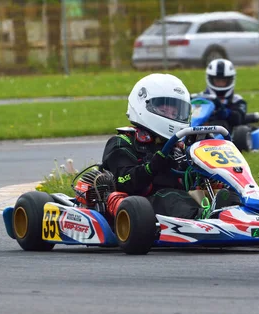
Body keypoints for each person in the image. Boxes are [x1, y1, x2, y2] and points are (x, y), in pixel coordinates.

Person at [101, 73, 207, 220]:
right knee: (169, 196)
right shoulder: (123, 142)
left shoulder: (180, 145)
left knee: (222, 195)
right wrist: (152, 167)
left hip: (183, 199)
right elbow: (124, 181)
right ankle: (201, 218)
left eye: (175, 112)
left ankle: (237, 212)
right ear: (143, 105)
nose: (171, 116)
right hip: (142, 207)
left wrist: (203, 152)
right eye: (164, 111)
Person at [203, 58, 247, 133]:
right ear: (210, 79)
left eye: (223, 81)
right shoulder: (200, 98)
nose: (220, 84)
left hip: (226, 135)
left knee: (219, 124)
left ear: (230, 80)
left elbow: (238, 118)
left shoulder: (237, 100)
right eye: (217, 81)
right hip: (198, 129)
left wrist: (225, 112)